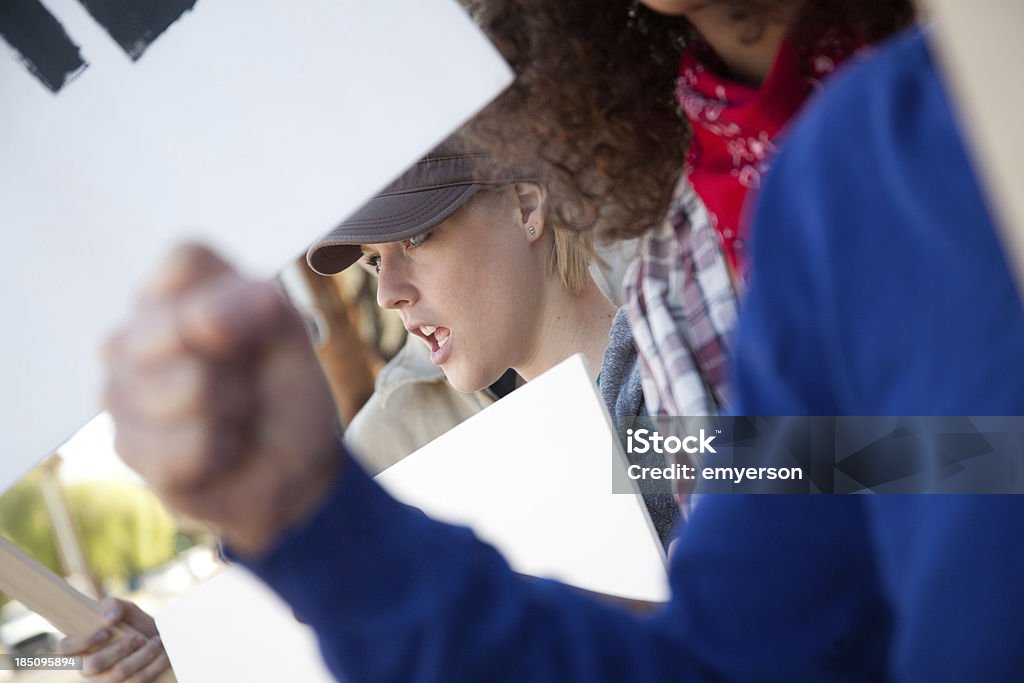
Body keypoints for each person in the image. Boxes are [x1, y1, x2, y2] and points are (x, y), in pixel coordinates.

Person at [101, 24, 1024, 681]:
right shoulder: (758, 234)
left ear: (530, 204)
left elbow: (958, 459)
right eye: (375, 264)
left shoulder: (725, 267)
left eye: (414, 242)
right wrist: (215, 641)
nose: (387, 294)